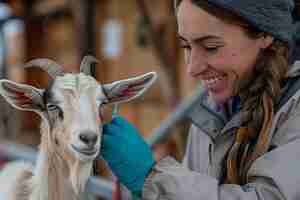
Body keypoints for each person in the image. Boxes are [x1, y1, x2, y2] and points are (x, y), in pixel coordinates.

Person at [100, 0, 300, 199]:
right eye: (186, 46)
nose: (192, 68)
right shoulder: (213, 108)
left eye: (211, 47)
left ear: (265, 34)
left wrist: (154, 180)